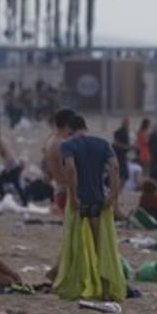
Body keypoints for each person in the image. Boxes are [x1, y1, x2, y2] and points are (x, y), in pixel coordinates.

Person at [53, 113, 126, 301]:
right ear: (85, 127)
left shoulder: (67, 145)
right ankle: (106, 290)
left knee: (76, 245)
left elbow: (70, 168)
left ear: (70, 129)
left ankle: (79, 285)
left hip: (79, 202)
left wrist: (73, 195)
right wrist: (113, 195)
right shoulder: (102, 144)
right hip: (99, 202)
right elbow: (115, 167)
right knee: (101, 247)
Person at [44, 108, 77, 215]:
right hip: (67, 193)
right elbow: (68, 172)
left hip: (59, 191)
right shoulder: (62, 144)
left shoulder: (51, 140)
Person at [0, 129, 25, 201]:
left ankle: (3, 198)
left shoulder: (2, 142)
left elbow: (8, 156)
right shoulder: (0, 142)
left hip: (12, 166)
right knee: (16, 184)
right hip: (13, 166)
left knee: (0, 181)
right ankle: (23, 200)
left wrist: (7, 169)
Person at [113, 117, 132, 184]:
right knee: (124, 176)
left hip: (120, 156)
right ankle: (117, 191)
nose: (128, 124)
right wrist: (128, 147)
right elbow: (117, 144)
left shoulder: (122, 132)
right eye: (127, 123)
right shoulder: (122, 132)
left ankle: (117, 191)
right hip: (120, 157)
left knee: (121, 176)